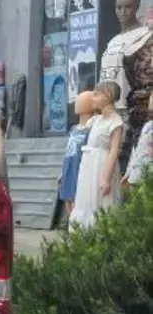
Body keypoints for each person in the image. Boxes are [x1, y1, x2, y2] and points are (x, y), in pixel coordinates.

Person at [98, 0, 152, 171]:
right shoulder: (113, 41)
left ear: (136, 8)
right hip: (108, 107)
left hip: (131, 107)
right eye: (118, 7)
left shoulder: (145, 35)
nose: (123, 12)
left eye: (127, 7)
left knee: (125, 158)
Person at [70, 81, 125, 228]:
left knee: (100, 200)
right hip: (89, 164)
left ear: (107, 96)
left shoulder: (115, 122)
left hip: (101, 164)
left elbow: (114, 150)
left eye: (96, 95)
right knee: (86, 199)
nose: (92, 98)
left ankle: (100, 233)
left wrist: (106, 178)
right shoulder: (97, 120)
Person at [58, 89, 95, 227]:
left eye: (81, 101)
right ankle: (72, 226)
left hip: (81, 166)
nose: (77, 103)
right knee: (67, 196)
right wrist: (61, 173)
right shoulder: (74, 129)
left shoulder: (92, 128)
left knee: (78, 198)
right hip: (68, 165)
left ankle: (78, 228)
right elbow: (68, 151)